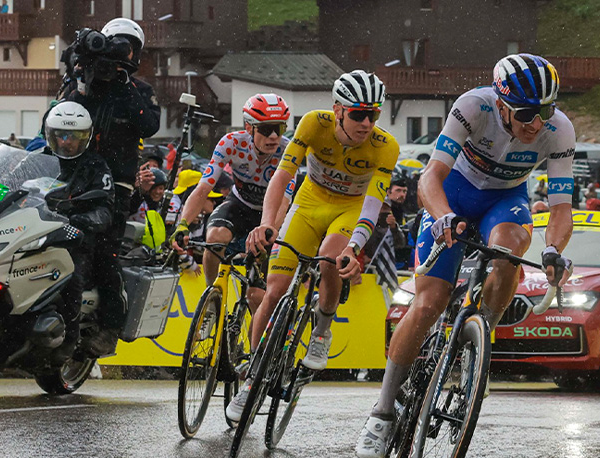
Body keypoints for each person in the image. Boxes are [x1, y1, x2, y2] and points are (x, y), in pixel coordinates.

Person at [355, 54, 576, 458]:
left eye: (545, 112)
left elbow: (562, 207)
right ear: (502, 104)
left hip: (504, 201)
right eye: (525, 114)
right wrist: (443, 217)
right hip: (453, 193)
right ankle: (382, 411)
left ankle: (480, 341)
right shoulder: (474, 106)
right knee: (428, 304)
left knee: (509, 249)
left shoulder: (559, 129)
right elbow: (430, 177)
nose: (535, 124)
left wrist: (553, 249)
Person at [228, 70, 398, 422]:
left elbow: (371, 205)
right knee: (274, 290)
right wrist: (267, 223)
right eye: (358, 114)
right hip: (308, 204)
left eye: (373, 114)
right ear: (338, 110)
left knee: (330, 259)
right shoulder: (313, 124)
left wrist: (355, 247)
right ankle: (253, 377)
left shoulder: (386, 146)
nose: (367, 123)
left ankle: (321, 331)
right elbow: (281, 177)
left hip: (349, 210)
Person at [66, 18, 161, 349]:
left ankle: (109, 327)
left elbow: (149, 125)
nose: (122, 53)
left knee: (105, 253)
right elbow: (59, 116)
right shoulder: (86, 80)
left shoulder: (140, 90)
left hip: (117, 183)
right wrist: (80, 77)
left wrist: (124, 83)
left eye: (128, 47)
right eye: (116, 45)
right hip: (74, 176)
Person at [172, 94, 293, 316]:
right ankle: (212, 297)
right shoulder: (231, 143)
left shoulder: (288, 151)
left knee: (256, 297)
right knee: (215, 236)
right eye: (266, 129)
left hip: (271, 216)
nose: (274, 136)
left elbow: (283, 203)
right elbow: (202, 190)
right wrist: (183, 225)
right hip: (239, 205)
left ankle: (256, 338)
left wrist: (266, 233)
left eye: (279, 128)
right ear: (249, 127)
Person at [42, 101, 114, 360]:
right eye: (61, 135)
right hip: (35, 231)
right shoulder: (40, 158)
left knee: (68, 276)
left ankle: (69, 340)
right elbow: (13, 184)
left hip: (73, 238)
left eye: (73, 136)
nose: (67, 141)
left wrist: (83, 220)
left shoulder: (96, 166)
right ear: (51, 134)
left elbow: (105, 209)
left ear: (85, 137)